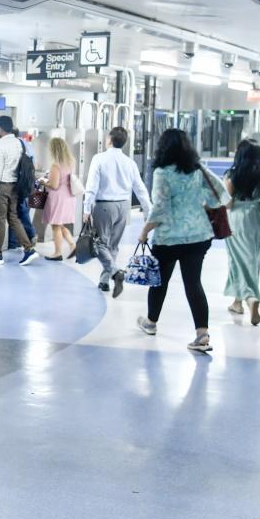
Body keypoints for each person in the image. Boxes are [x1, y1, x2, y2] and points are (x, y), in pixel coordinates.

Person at [135, 129, 228, 352]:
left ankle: (151, 322)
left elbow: (160, 208)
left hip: (168, 238)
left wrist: (145, 230)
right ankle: (202, 335)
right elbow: (221, 192)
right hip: (199, 236)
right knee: (193, 283)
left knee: (160, 282)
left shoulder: (162, 173)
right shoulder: (196, 169)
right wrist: (201, 205)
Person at [83, 126, 152, 297]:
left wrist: (86, 208)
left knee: (98, 244)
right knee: (112, 245)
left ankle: (115, 273)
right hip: (124, 207)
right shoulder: (130, 162)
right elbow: (140, 188)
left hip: (105, 206)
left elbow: (92, 186)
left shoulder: (99, 159)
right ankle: (104, 281)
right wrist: (148, 212)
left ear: (109, 140)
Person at [223, 139, 260, 325]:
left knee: (238, 261)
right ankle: (237, 302)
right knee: (253, 261)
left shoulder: (233, 175)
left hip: (239, 220)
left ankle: (251, 299)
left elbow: (227, 202)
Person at [0, 115, 39, 266]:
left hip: (2, 187)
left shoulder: (0, 146)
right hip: (15, 186)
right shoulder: (19, 144)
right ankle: (28, 249)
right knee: (13, 218)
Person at [42, 137, 77, 260]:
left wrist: (43, 182)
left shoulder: (56, 165)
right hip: (69, 196)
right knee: (61, 225)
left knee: (56, 226)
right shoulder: (71, 162)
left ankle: (57, 253)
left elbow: (54, 185)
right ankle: (72, 245)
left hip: (58, 198)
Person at [8, 128, 37, 249]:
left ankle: (29, 235)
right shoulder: (27, 144)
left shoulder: (13, 145)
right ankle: (15, 241)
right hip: (27, 181)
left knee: (18, 210)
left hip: (17, 182)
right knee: (20, 210)